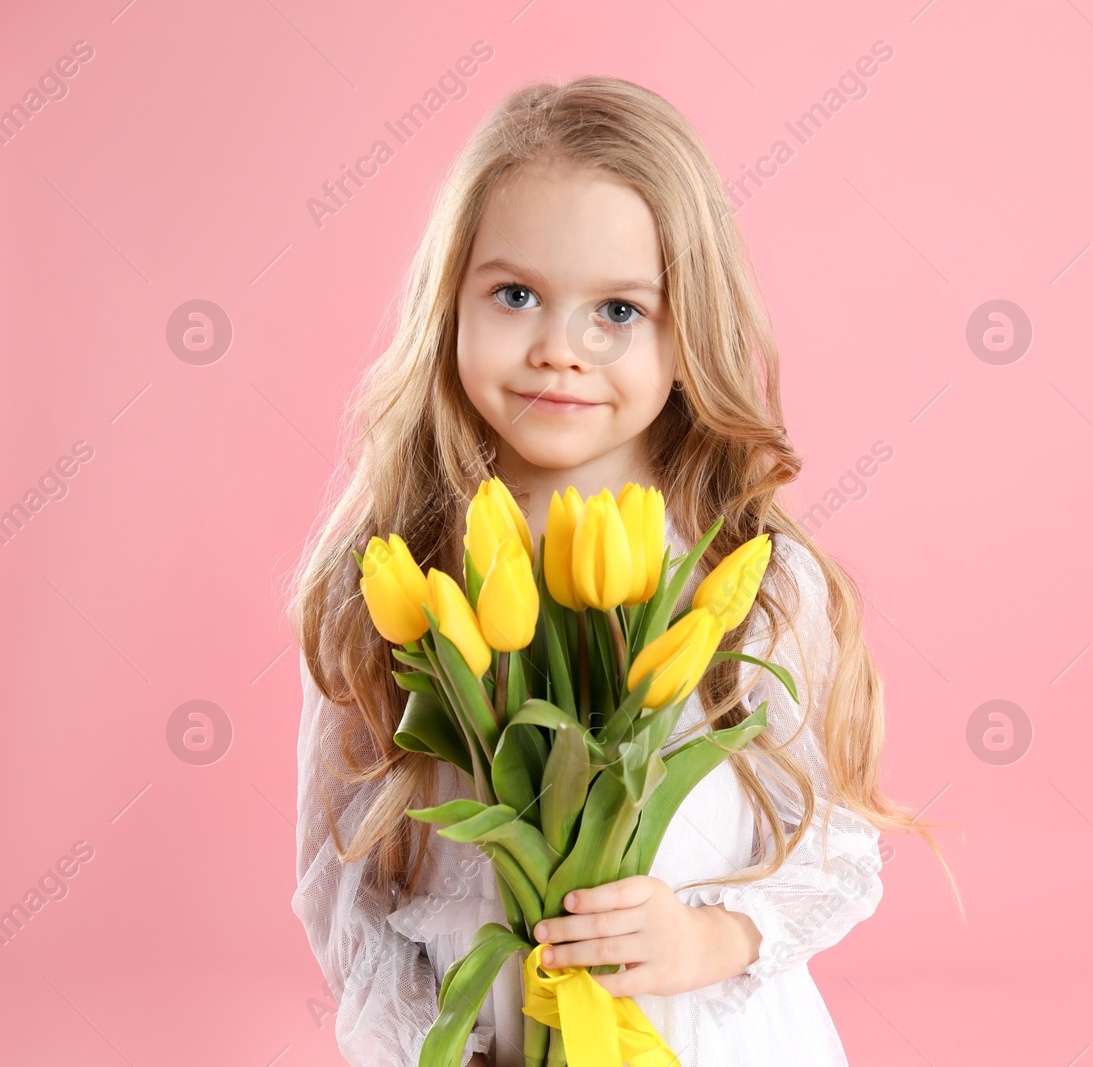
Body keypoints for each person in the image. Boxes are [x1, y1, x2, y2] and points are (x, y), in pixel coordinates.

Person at [286, 76, 959, 1066]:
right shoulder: (395, 580)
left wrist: (706, 938)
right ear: (451, 305)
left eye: (618, 310)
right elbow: (345, 899)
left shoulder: (751, 580)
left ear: (687, 333)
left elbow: (837, 854)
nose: (560, 349)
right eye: (515, 295)